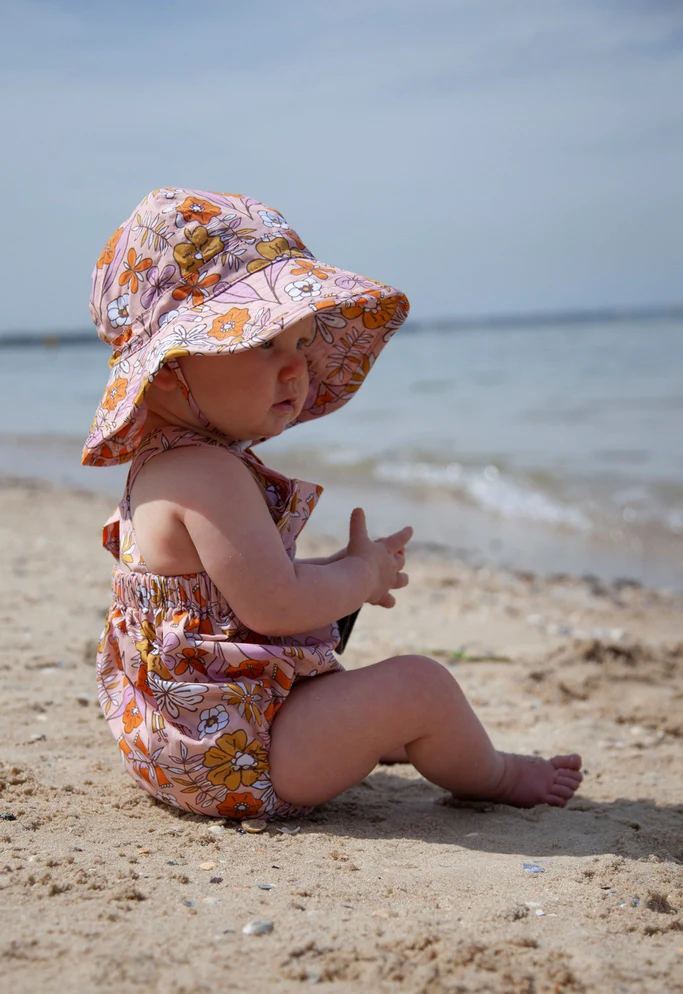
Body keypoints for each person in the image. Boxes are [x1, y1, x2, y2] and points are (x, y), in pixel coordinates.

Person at [84, 187, 582, 821]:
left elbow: (232, 594)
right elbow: (276, 604)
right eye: (265, 344)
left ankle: (375, 732)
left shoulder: (162, 467)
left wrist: (332, 571)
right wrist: (360, 576)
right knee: (419, 685)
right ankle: (499, 774)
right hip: (239, 755)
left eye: (302, 345)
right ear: (172, 364)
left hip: (176, 742)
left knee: (353, 691)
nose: (297, 371)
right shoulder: (209, 474)